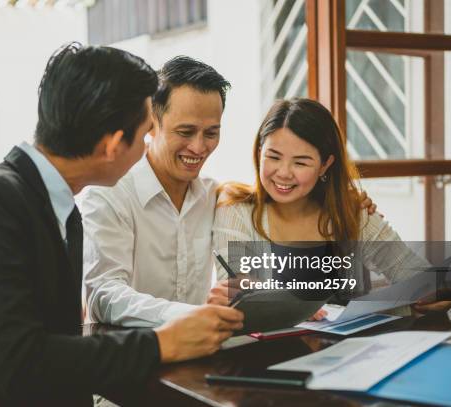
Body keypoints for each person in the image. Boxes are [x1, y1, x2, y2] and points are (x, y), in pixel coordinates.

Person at [0, 43, 243, 406]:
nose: (149, 143)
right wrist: (164, 342)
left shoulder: (55, 202)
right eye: (146, 130)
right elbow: (23, 365)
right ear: (114, 145)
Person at [83, 57, 377, 328]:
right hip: (128, 361)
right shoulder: (109, 194)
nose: (199, 148)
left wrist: (338, 198)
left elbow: (263, 198)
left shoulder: (213, 195)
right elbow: (104, 295)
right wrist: (193, 315)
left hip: (199, 355)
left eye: (211, 133)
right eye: (186, 132)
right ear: (151, 125)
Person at [209, 98, 451, 315]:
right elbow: (238, 296)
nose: (283, 173)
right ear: (259, 152)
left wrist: (429, 293)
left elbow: (414, 274)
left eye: (301, 163)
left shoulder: (351, 212)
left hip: (347, 354)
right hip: (264, 357)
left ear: (325, 165)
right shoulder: (236, 209)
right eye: (273, 157)